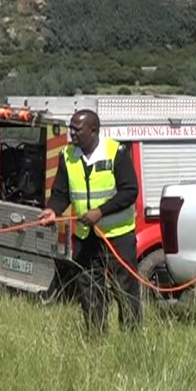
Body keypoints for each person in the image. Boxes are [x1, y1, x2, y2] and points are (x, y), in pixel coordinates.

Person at [36, 109, 142, 332]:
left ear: (93, 130)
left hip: (117, 235)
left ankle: (131, 337)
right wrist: (53, 210)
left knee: (125, 288)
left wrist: (101, 211)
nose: (71, 133)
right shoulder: (67, 156)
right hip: (85, 236)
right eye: (70, 128)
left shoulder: (116, 152)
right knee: (89, 287)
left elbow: (130, 191)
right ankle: (95, 336)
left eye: (77, 129)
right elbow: (61, 192)